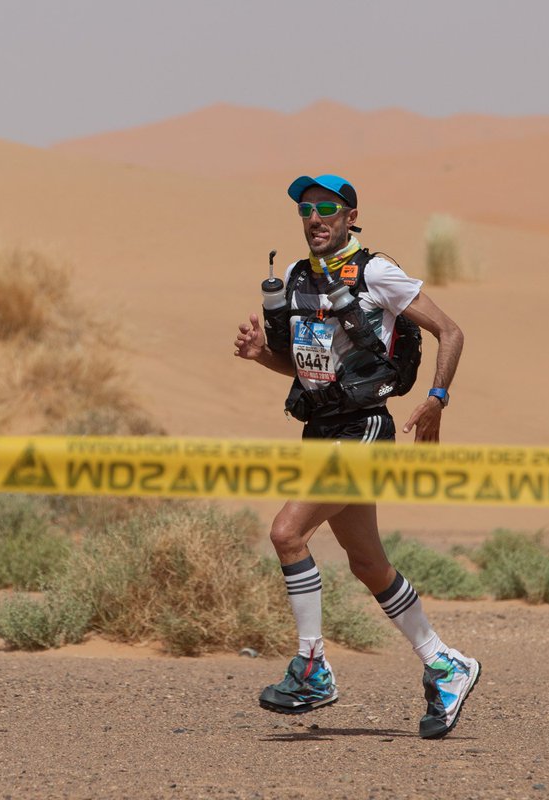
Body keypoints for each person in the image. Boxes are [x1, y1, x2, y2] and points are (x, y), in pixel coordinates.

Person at [232, 174, 480, 739]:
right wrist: (260, 357)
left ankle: (313, 667)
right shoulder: (298, 279)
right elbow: (304, 367)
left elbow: (452, 331)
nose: (314, 218)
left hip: (365, 428)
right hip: (321, 429)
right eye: (306, 210)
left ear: (349, 216)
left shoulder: (376, 272)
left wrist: (437, 398)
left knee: (286, 533)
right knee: (368, 564)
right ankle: (446, 663)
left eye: (326, 208)